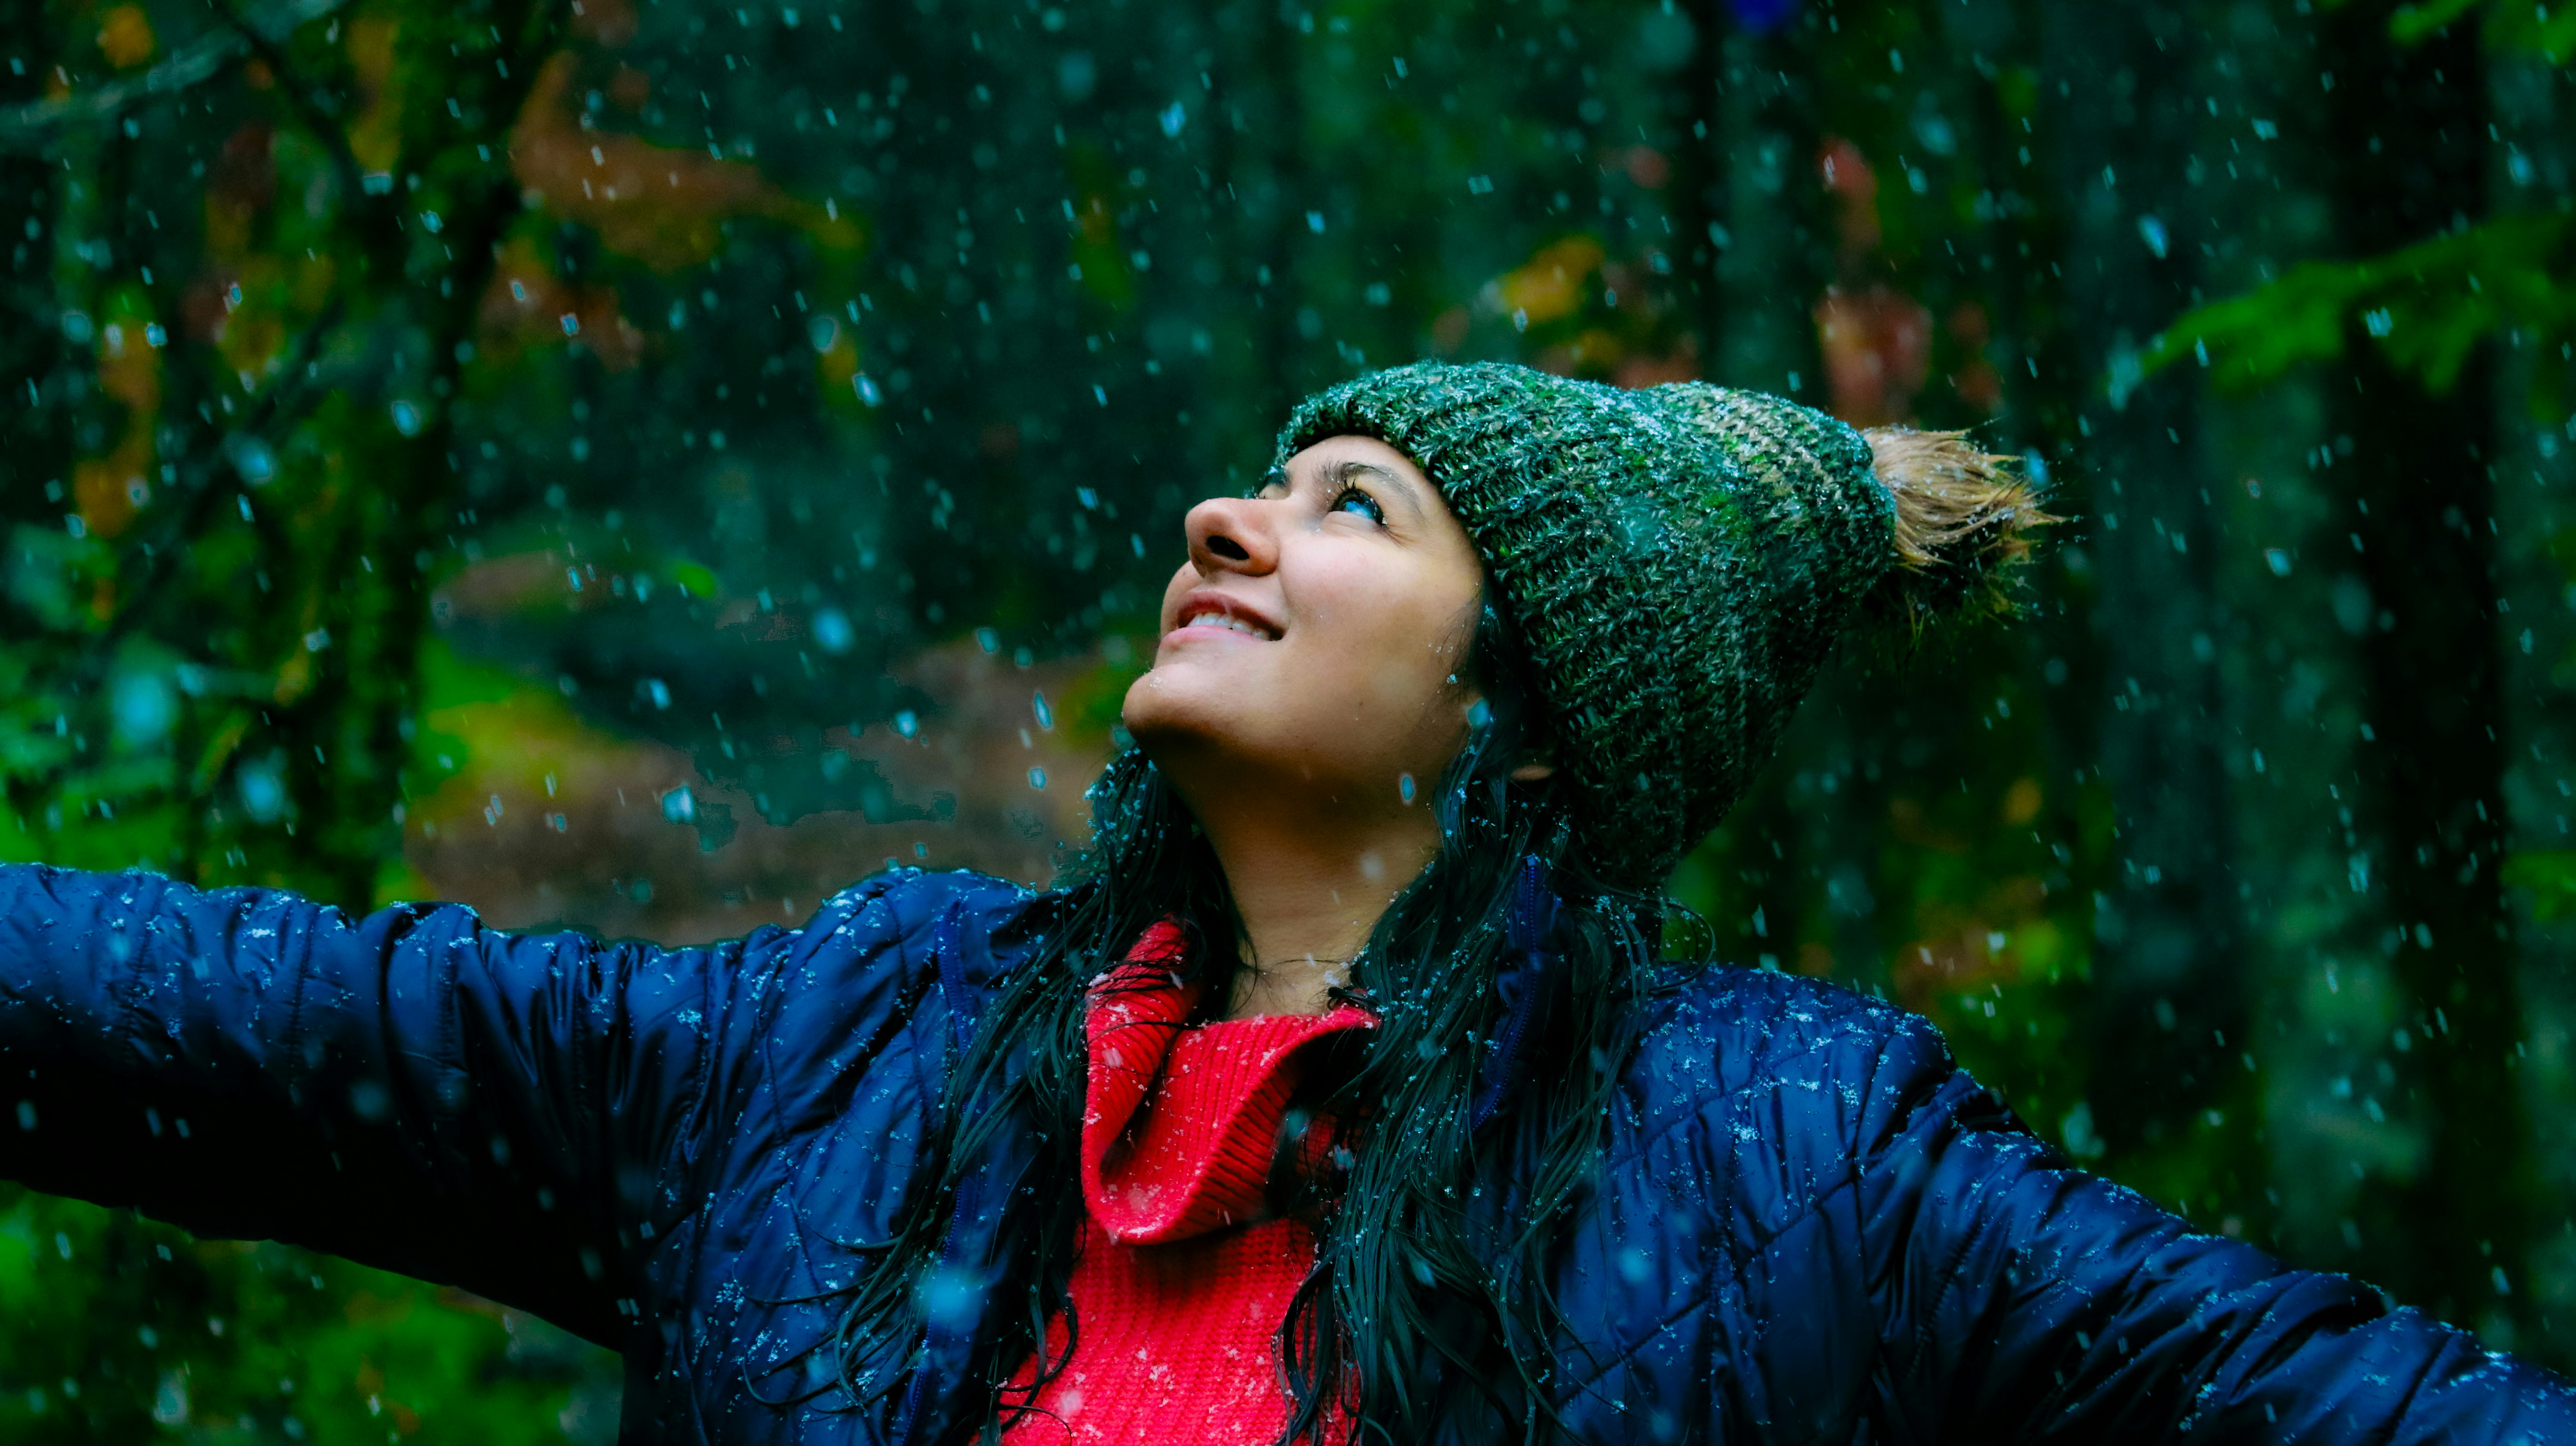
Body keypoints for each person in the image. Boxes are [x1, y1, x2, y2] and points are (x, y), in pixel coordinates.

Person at [0, 360, 2565, 1446]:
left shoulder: (1788, 1161)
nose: (1232, 518)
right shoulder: (864, 1054)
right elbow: (256, 1016)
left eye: (1356, 506)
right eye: (1264, 478)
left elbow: (2341, 1403)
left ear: (1532, 709)